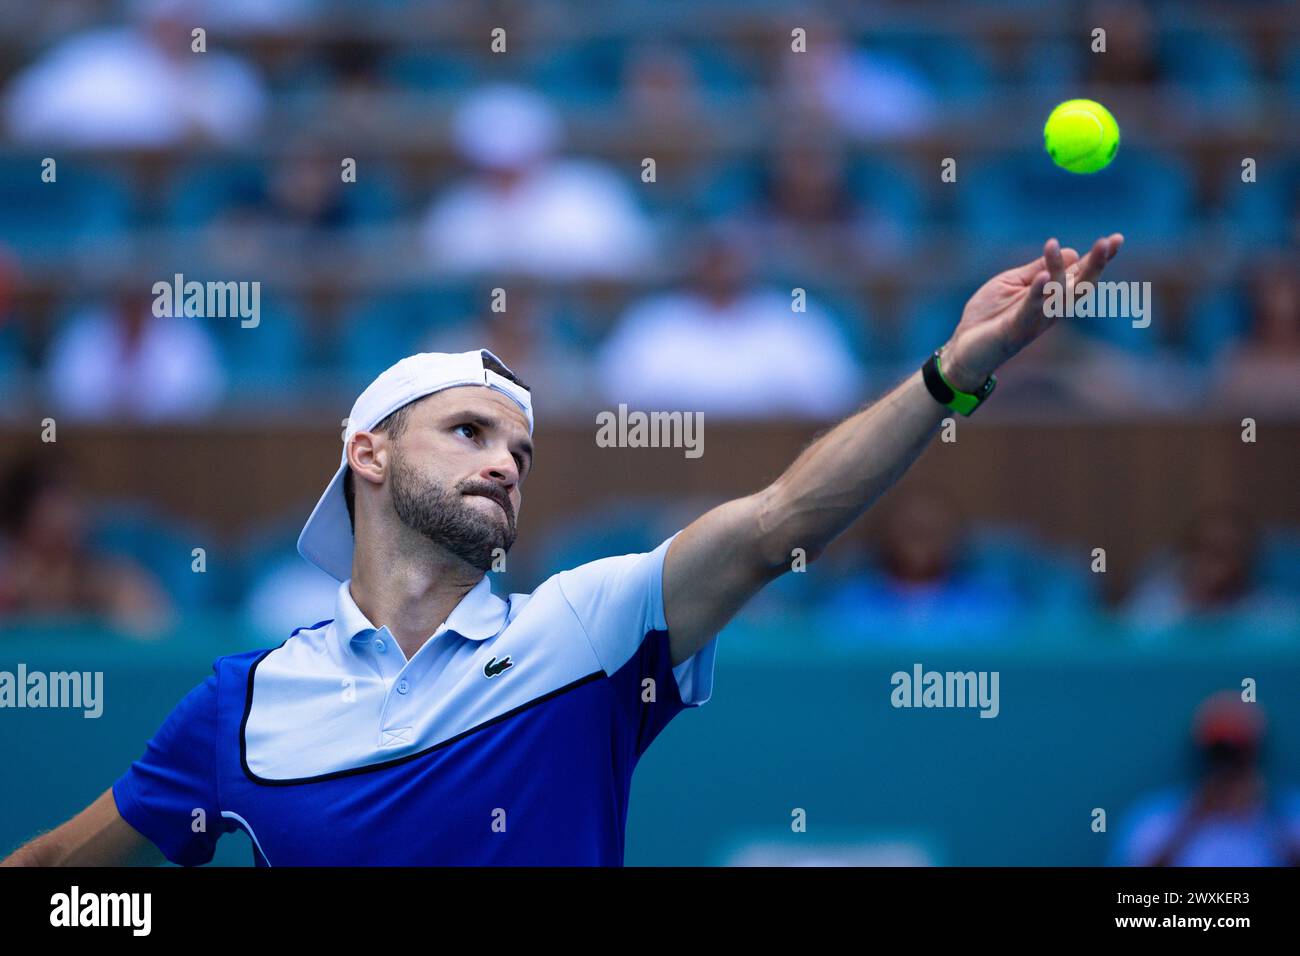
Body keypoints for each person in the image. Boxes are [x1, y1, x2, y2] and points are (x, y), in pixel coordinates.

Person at [1, 232, 1125, 866]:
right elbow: (65, 875)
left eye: (521, 451)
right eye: (469, 432)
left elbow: (786, 515)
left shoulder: (589, 626)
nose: (505, 462)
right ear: (370, 455)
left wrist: (952, 372)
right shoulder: (241, 703)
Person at [1110, 692, 1300, 866]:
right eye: (1219, 755)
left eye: (1239, 756)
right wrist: (1193, 817)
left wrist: (1268, 813)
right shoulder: (1156, 817)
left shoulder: (1289, 813)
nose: (1227, 769)